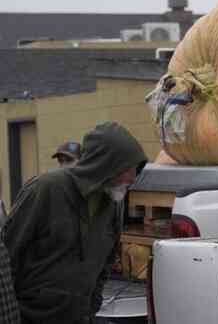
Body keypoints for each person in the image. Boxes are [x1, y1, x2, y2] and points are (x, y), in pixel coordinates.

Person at [2, 122, 147, 324]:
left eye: (136, 169)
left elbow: (105, 263)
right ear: (105, 164)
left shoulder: (113, 203)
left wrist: (91, 306)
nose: (133, 177)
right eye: (127, 169)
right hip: (30, 317)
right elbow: (8, 254)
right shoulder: (45, 190)